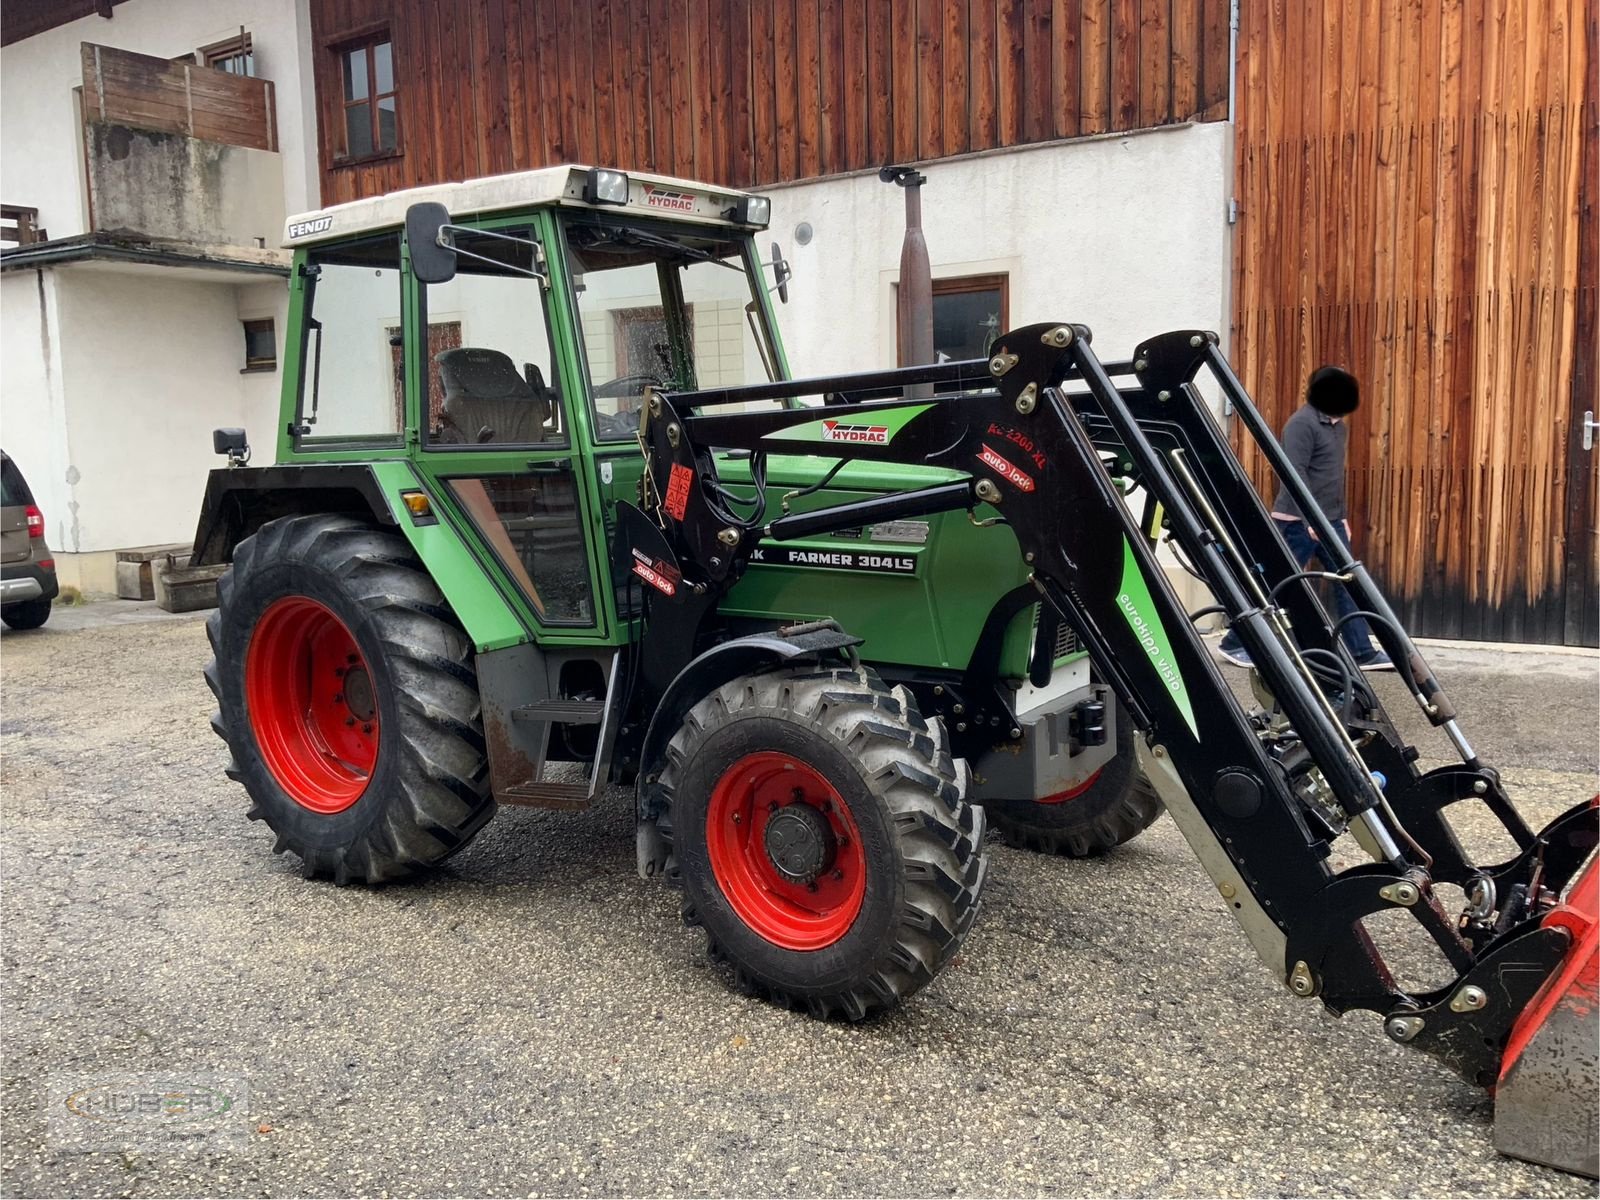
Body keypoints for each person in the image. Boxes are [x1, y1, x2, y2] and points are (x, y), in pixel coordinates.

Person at [1217, 365, 1394, 671]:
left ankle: (1362, 652)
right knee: (1277, 583)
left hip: (1330, 521)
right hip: (1296, 522)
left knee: (1347, 581)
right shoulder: (1301, 425)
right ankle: (1235, 642)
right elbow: (1293, 474)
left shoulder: (1338, 427)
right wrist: (1309, 519)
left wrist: (1341, 518)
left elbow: (1331, 478)